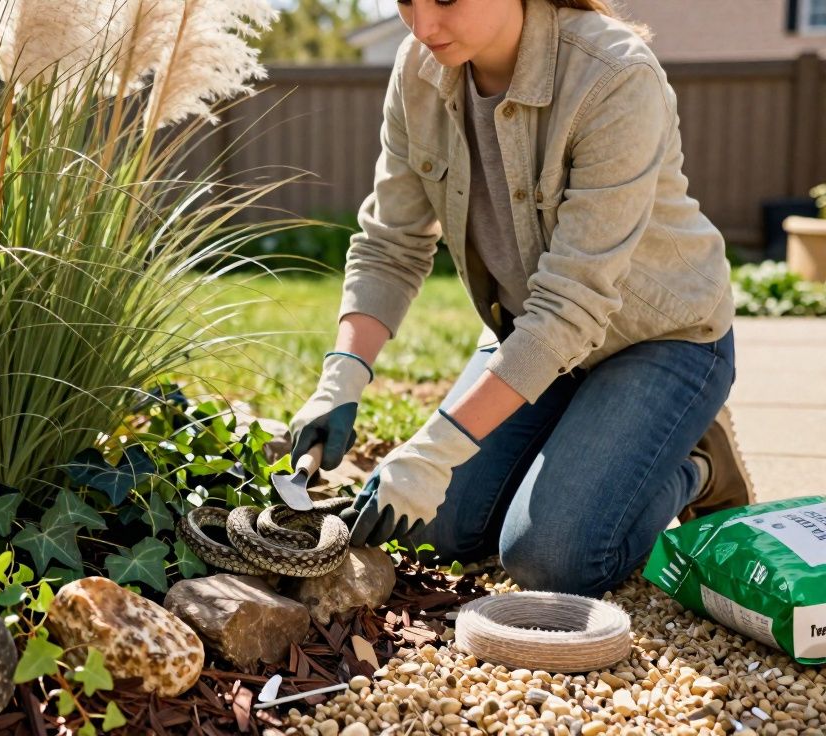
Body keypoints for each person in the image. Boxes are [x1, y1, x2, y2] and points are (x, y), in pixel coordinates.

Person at [287, 0, 753, 598]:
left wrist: (436, 451)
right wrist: (342, 376)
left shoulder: (613, 74)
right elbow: (390, 245)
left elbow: (572, 304)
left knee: (551, 558)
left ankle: (695, 462)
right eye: (405, 1)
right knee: (435, 528)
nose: (423, 26)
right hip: (529, 337)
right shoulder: (418, 69)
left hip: (658, 338)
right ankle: (584, 435)